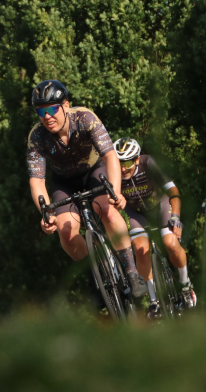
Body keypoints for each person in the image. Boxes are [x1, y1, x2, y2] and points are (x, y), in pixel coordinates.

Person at [27, 80, 146, 299]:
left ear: (66, 105)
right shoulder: (37, 136)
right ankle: (96, 274)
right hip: (64, 182)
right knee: (66, 232)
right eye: (41, 111)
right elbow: (37, 181)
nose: (47, 116)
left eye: (52, 108)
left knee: (108, 210)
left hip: (93, 172)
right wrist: (46, 214)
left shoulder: (85, 118)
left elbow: (110, 156)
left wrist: (116, 192)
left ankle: (131, 272)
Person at [113, 138, 197, 316]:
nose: (122, 168)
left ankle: (185, 285)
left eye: (127, 162)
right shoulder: (112, 171)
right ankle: (153, 302)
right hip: (136, 213)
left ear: (136, 159)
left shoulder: (148, 163)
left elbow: (173, 192)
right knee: (141, 250)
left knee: (171, 244)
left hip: (161, 207)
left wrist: (175, 216)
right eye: (119, 162)